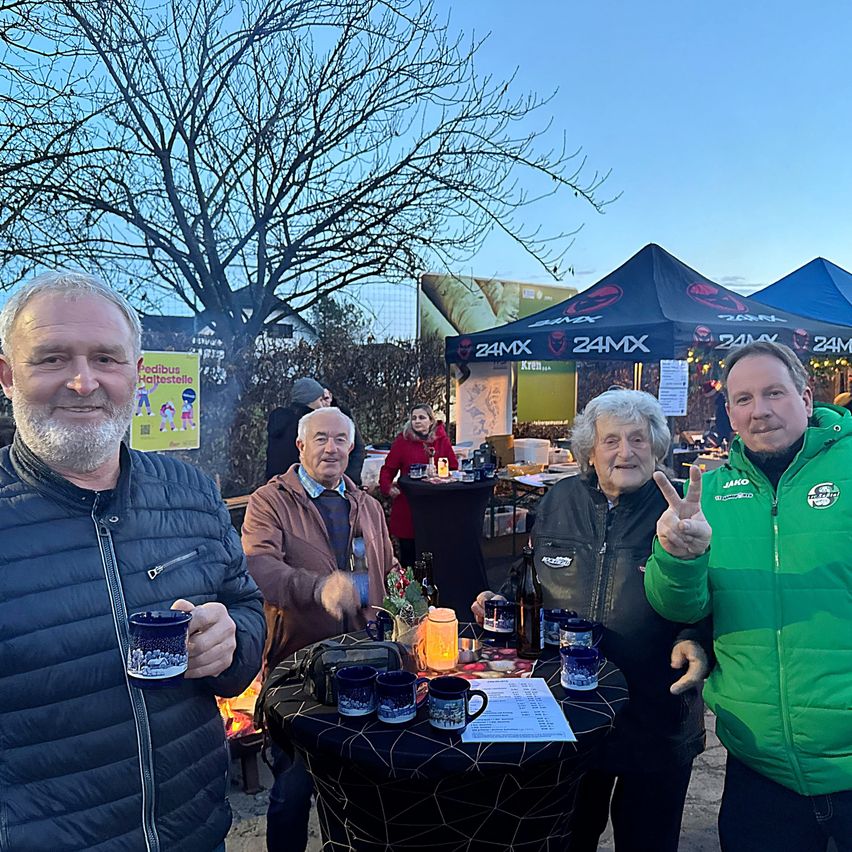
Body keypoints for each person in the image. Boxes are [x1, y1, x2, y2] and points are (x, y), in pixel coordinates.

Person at [0, 272, 266, 852]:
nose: (82, 380)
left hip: (196, 836)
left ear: (137, 374)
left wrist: (232, 641)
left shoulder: (192, 492)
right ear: (7, 375)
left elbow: (245, 607)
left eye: (106, 358)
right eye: (50, 358)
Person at [471, 390, 709, 852]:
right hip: (571, 714)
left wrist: (697, 638)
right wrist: (500, 600)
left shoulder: (683, 512)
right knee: (564, 840)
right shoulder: (558, 500)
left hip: (657, 712)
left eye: (639, 439)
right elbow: (532, 574)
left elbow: (712, 593)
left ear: (657, 447)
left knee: (648, 841)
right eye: (611, 441)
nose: (626, 452)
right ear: (589, 452)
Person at [645, 341, 852, 852]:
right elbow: (679, 607)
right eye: (743, 399)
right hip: (758, 767)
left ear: (806, 398)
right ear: (731, 413)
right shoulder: (708, 493)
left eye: (774, 393)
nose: (759, 410)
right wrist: (679, 558)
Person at [242, 406, 397, 852]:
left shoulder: (367, 505)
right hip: (298, 668)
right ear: (301, 446)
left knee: (363, 785)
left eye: (340, 440)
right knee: (292, 792)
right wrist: (317, 588)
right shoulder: (269, 502)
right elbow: (258, 567)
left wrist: (416, 613)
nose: (331, 448)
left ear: (351, 448)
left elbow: (390, 569)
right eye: (322, 439)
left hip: (368, 663)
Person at [379, 403, 457, 567]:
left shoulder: (442, 441)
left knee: (434, 552)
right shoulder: (402, 441)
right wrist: (387, 487)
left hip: (435, 504)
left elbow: (454, 467)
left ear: (431, 420)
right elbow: (388, 469)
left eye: (421, 417)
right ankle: (409, 589)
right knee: (409, 554)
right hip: (409, 504)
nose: (417, 421)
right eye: (414, 418)